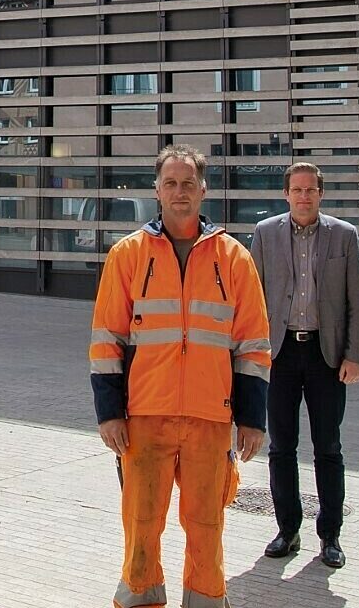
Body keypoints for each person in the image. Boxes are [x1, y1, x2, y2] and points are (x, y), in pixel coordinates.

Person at [89, 144, 271, 608]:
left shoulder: (234, 258)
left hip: (211, 415)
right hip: (144, 414)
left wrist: (252, 419)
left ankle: (207, 601)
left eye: (188, 183)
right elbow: (107, 338)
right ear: (157, 190)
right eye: (170, 183)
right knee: (141, 523)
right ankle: (140, 599)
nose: (179, 191)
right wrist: (110, 413)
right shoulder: (127, 255)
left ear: (203, 189)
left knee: (206, 526)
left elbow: (253, 343)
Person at [251, 162, 359, 569]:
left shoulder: (344, 236)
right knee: (282, 447)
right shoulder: (265, 235)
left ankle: (330, 536)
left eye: (310, 190)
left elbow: (358, 302)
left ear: (321, 194)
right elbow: (253, 300)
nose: (303, 196)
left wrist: (355, 355)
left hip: (326, 355)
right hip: (279, 355)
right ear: (286, 194)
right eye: (296, 190)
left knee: (328, 448)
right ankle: (287, 530)